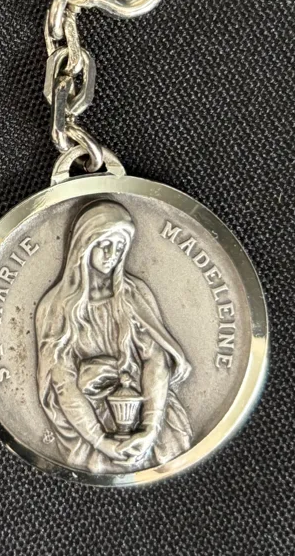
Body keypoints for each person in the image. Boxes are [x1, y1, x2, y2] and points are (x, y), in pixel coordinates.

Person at [36, 200, 192, 473]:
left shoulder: (134, 296)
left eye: (119, 248)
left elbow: (155, 359)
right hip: (87, 420)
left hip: (144, 405)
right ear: (84, 245)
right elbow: (62, 382)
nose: (112, 255)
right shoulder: (56, 307)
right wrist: (100, 440)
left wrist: (150, 427)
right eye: (104, 245)